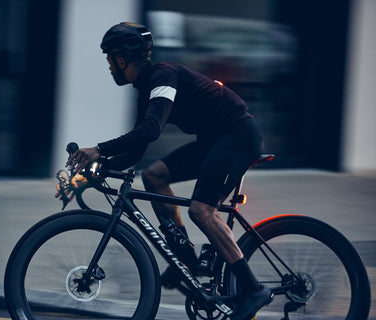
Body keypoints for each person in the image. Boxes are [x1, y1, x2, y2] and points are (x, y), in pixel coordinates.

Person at [66, 22, 272, 320]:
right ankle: (185, 256)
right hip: (215, 140)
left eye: (110, 59)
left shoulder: (163, 76)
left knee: (202, 211)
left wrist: (99, 148)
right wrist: (99, 169)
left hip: (238, 135)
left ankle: (254, 290)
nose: (109, 67)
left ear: (122, 59)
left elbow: (150, 130)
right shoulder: (144, 87)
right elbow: (135, 151)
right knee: (154, 175)